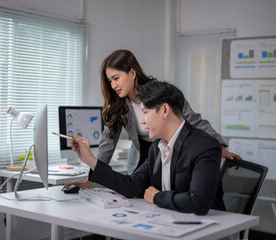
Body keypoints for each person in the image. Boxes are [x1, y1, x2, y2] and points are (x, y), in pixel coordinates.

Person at [68, 49, 241, 189]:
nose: (113, 86)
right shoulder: (119, 106)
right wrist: (89, 181)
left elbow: (193, 120)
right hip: (144, 155)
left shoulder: (159, 93)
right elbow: (107, 143)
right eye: (110, 81)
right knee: (136, 193)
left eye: (116, 78)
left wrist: (219, 146)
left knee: (165, 196)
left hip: (167, 149)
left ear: (132, 73)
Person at [66, 81, 225, 215]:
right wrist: (91, 160)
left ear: (164, 110)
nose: (141, 121)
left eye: (145, 112)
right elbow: (132, 186)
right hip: (170, 223)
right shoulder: (156, 147)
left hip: (206, 228)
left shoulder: (205, 146)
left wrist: (157, 197)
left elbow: (199, 202)